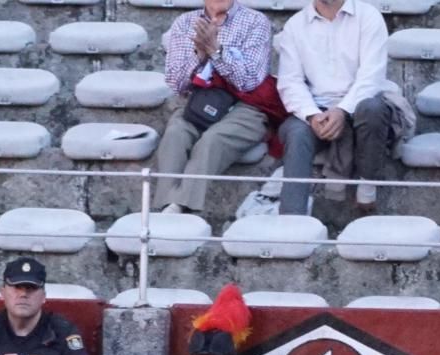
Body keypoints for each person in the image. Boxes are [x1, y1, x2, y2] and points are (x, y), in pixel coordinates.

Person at [155, 0, 281, 215]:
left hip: (248, 106)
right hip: (201, 101)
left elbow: (249, 81)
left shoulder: (255, 22)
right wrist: (199, 55)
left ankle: (178, 208)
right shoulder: (185, 23)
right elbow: (176, 84)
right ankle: (167, 207)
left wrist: (216, 51)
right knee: (176, 133)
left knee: (213, 139)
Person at [274, 0, 396, 215]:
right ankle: (291, 218)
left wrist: (342, 110)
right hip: (316, 108)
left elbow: (372, 77)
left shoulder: (368, 17)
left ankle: (367, 186)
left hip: (359, 105)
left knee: (372, 109)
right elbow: (290, 81)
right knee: (297, 133)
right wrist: (311, 115)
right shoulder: (295, 25)